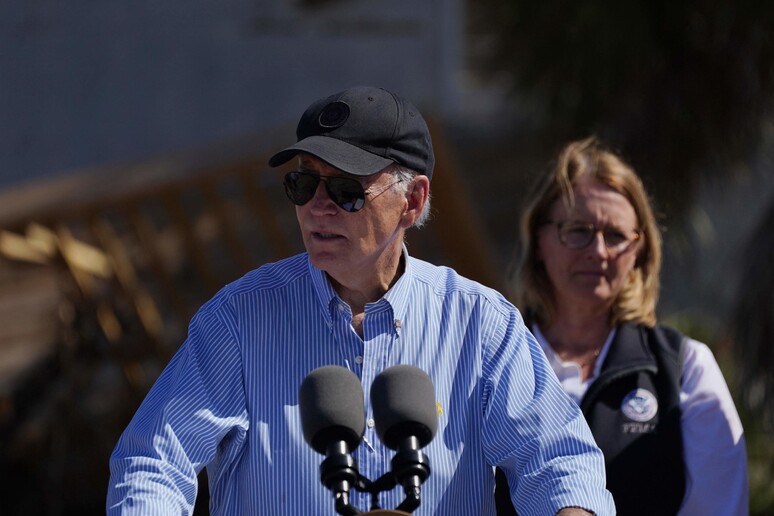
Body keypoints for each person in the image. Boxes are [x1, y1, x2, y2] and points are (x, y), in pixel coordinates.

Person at [106, 86, 614, 515]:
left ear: (412, 201)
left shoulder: (481, 322)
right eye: (303, 184)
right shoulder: (238, 319)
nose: (317, 207)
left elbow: (558, 462)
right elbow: (152, 464)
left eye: (346, 189)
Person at [496, 137, 748, 515]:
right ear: (540, 240)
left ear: (639, 253)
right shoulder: (490, 359)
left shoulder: (683, 369)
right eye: (578, 230)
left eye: (615, 235)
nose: (598, 251)